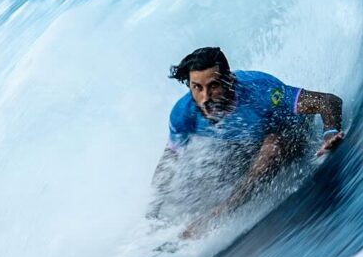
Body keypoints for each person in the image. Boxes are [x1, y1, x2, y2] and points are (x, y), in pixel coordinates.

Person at [147, 47, 344, 238]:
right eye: (197, 88)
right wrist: (151, 213)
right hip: (247, 144)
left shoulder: (261, 91)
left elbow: (327, 101)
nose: (205, 97)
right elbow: (170, 159)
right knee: (205, 174)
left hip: (291, 136)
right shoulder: (184, 112)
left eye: (213, 86)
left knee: (272, 146)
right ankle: (181, 225)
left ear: (229, 81)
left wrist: (329, 134)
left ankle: (223, 212)